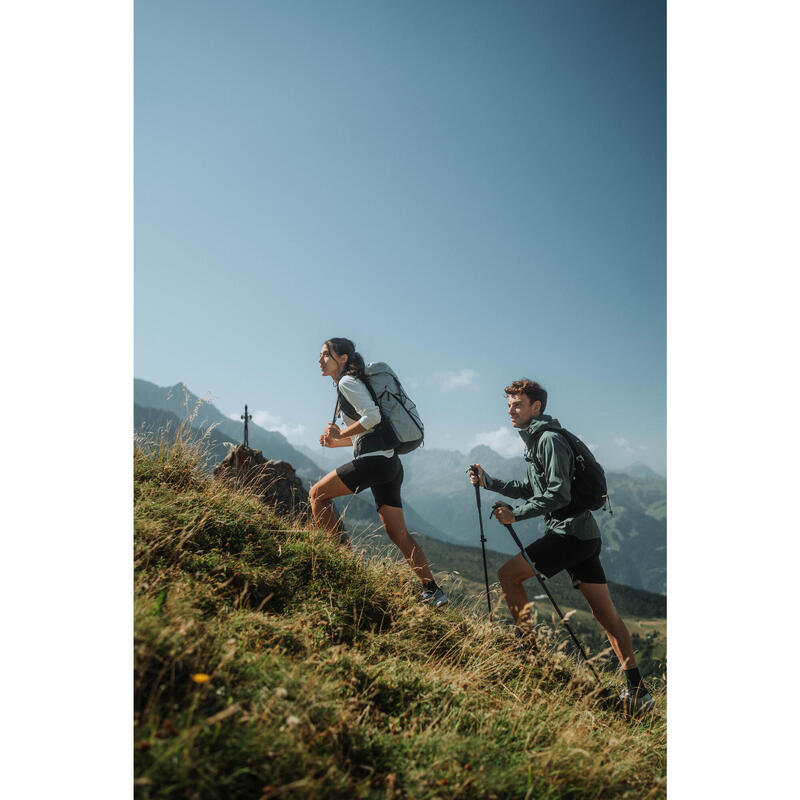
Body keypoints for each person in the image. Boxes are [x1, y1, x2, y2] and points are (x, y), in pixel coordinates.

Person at [469, 378, 653, 712]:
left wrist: (516, 516)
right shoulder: (538, 439)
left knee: (508, 576)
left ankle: (530, 654)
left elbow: (557, 494)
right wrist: (490, 482)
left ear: (536, 407)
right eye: (509, 404)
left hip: (569, 533)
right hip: (583, 535)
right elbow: (532, 486)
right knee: (605, 614)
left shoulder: (549, 439)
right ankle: (638, 691)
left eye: (518, 404)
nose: (510, 410)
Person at [309, 338, 449, 608]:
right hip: (390, 465)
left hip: (374, 462)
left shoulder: (347, 383)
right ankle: (433, 591)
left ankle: (338, 564)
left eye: (326, 355)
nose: (320, 359)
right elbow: (366, 431)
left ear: (344, 358)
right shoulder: (353, 383)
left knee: (317, 495)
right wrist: (336, 441)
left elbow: (371, 417)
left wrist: (340, 432)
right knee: (398, 534)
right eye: (321, 354)